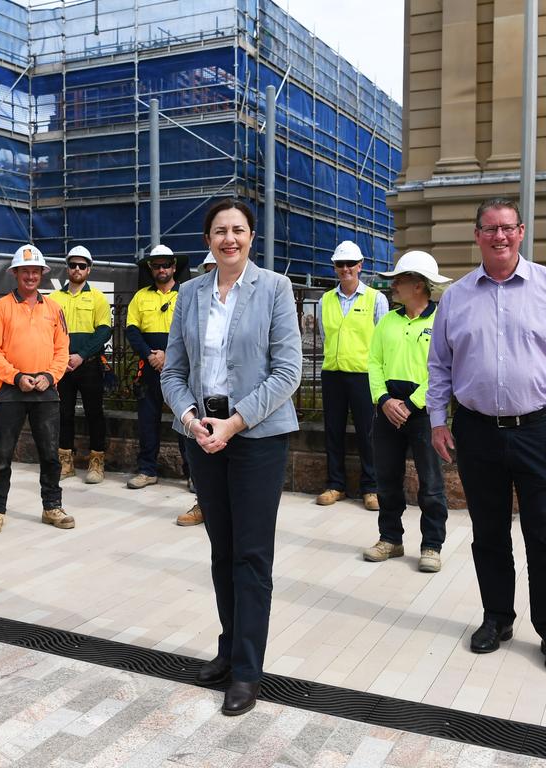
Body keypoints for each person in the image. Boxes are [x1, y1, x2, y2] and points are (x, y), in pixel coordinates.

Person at [428, 198, 546, 675]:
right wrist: (438, 418)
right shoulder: (456, 297)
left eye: (507, 228)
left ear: (521, 232)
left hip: (539, 431)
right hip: (476, 432)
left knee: (544, 534)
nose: (499, 236)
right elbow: (439, 364)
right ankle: (497, 618)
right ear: (476, 235)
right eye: (489, 229)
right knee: (489, 534)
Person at [161, 198, 301, 716]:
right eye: (220, 231)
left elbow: (288, 372)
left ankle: (247, 670)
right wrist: (192, 419)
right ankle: (228, 649)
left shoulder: (276, 289)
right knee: (222, 551)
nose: (229, 239)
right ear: (207, 240)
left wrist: (235, 421)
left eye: (238, 230)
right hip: (204, 439)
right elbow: (173, 371)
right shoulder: (190, 294)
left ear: (251, 237)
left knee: (251, 554)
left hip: (257, 438)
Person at [362, 250, 451, 573]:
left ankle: (432, 545)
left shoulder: (440, 321)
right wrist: (384, 399)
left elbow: (442, 370)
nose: (394, 285)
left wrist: (412, 403)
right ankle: (390, 538)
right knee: (386, 478)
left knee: (430, 482)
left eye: (400, 280)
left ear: (418, 285)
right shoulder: (388, 321)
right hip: (388, 407)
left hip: (425, 410)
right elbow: (373, 363)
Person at [0, 244, 73, 535]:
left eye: (36, 271)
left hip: (46, 390)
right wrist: (15, 376)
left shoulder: (54, 309)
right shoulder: (0, 307)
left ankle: (51, 507)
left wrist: (50, 375)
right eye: (25, 271)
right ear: (16, 274)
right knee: (2, 453)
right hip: (11, 390)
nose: (31, 276)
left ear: (42, 275)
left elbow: (62, 349)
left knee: (49, 454)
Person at [315, 241, 388, 511]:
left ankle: (371, 488)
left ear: (360, 265)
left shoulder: (375, 298)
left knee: (367, 433)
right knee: (332, 431)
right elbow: (324, 335)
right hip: (333, 373)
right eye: (340, 264)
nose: (345, 269)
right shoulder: (326, 300)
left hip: (363, 374)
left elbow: (381, 339)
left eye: (350, 264)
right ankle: (336, 484)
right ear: (335, 268)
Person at [49, 245, 112, 484]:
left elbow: (104, 331)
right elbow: (49, 331)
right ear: (67, 268)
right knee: (63, 414)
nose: (77, 269)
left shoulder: (97, 298)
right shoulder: (54, 298)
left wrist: (81, 355)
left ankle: (96, 462)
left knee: (94, 413)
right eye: (73, 265)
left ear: (89, 269)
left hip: (88, 365)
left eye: (82, 265)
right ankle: (66, 461)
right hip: (61, 367)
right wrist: (62, 357)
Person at [125, 244, 185, 489]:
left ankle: (193, 473)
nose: (161, 269)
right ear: (150, 268)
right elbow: (131, 329)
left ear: (174, 267)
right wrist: (150, 355)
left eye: (166, 264)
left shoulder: (187, 294)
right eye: (156, 265)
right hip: (149, 367)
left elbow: (193, 331)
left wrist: (168, 356)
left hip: (180, 368)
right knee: (147, 421)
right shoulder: (141, 296)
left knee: (186, 420)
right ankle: (147, 470)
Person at [177, 250, 217, 528]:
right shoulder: (190, 296)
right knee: (199, 450)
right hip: (200, 400)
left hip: (242, 412)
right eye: (209, 268)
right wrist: (188, 415)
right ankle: (203, 500)